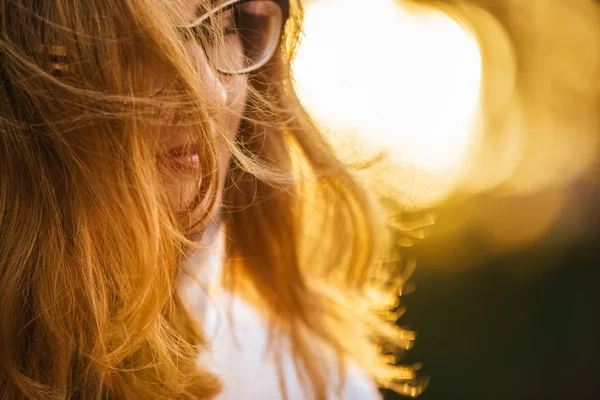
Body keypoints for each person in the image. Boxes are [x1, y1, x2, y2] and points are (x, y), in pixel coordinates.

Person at [0, 0, 421, 398]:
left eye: (218, 28)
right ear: (38, 70)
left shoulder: (309, 383)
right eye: (140, 44)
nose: (208, 92)